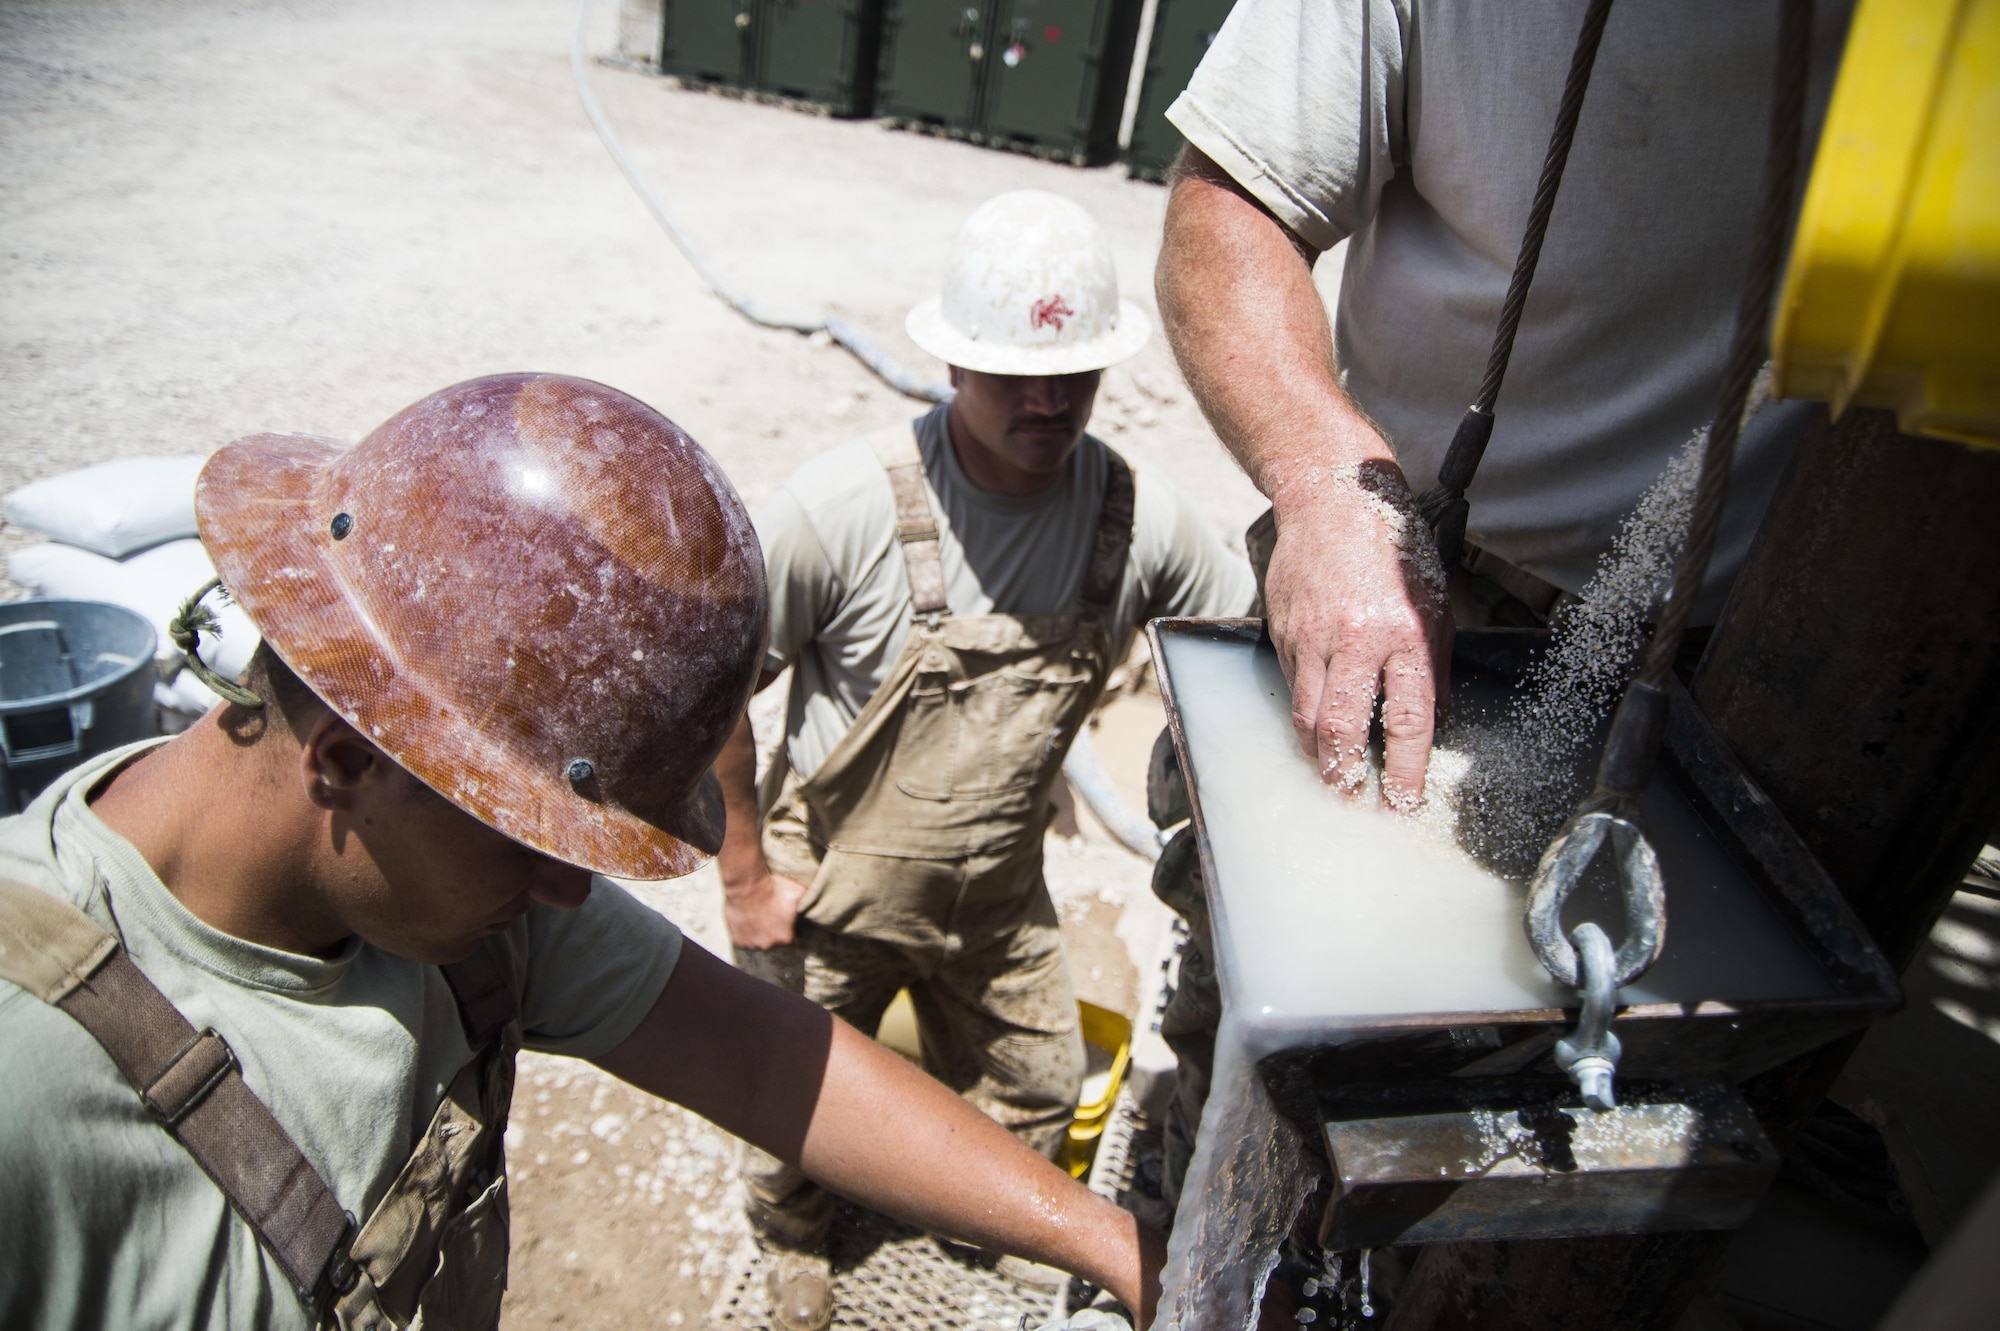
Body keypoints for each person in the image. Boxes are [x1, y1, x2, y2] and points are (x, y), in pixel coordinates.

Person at [0, 374, 1163, 1331]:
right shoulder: (33, 1078)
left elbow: (770, 1060)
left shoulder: (456, 888)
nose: (568, 891)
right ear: (350, 759)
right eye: (532, 839)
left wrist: (1111, 1241)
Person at [1143, 0, 1853, 1218]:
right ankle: (1196, 1215)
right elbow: (1227, 209)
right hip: (1412, 563)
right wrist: (1325, 486)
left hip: (1739, 633)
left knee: (1603, 1055)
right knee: (1277, 963)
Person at [713, 191, 1254, 1321]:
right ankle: (793, 1233)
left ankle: (982, 1214)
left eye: (1074, 374)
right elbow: (715, 693)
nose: (1048, 401)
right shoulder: (843, 508)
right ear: (952, 363)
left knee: (1041, 1084)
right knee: (787, 1096)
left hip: (995, 894)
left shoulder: (1137, 520)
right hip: (830, 893)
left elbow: (1238, 655)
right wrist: (743, 876)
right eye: (1014, 374)